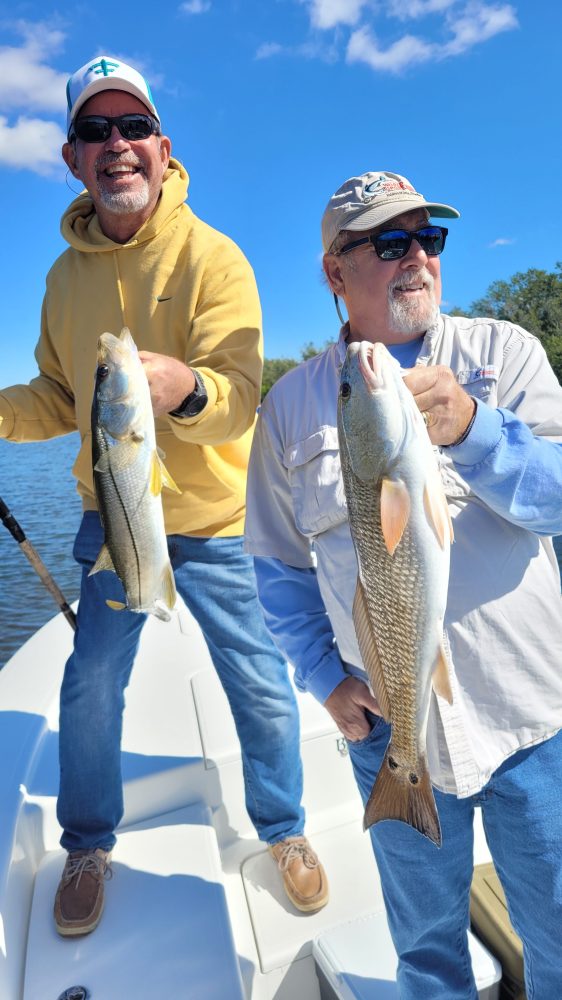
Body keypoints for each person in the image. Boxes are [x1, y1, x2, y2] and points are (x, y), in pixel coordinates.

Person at [0, 56, 328, 937]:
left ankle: (285, 829)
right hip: (113, 517)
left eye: (132, 128)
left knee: (259, 682)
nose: (117, 147)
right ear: (71, 158)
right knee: (90, 683)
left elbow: (240, 404)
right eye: (96, 132)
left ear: (162, 146)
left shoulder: (215, 257)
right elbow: (60, 399)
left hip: (222, 525)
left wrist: (185, 389)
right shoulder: (62, 280)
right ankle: (87, 842)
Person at [244, 169, 562, 999]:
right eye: (391, 243)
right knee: (425, 953)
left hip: (535, 715)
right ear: (334, 271)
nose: (418, 257)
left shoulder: (505, 353)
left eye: (430, 238)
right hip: (391, 734)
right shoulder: (288, 408)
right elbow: (276, 564)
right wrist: (322, 679)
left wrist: (476, 429)